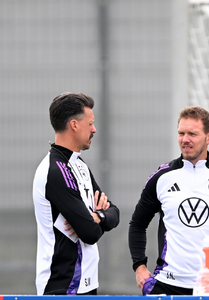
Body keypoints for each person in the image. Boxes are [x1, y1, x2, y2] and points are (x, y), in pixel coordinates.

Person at [128, 106, 209, 295]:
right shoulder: (162, 177)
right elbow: (137, 224)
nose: (185, 140)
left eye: (192, 134)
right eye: (181, 133)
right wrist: (139, 267)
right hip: (167, 285)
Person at [32, 92, 120, 295]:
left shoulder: (78, 165)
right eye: (90, 124)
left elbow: (114, 213)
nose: (94, 130)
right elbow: (89, 233)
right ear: (74, 125)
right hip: (63, 286)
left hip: (87, 284)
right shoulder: (55, 171)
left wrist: (98, 216)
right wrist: (97, 220)